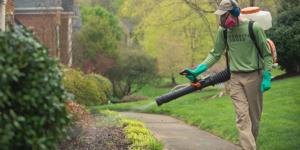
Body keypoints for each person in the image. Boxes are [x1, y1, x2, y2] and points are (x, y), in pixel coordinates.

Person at [183, 0, 273, 150]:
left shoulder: (253, 27)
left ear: (235, 12)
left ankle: (252, 145)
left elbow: (267, 55)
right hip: (236, 78)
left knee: (254, 120)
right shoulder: (224, 31)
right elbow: (214, 54)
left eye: (224, 15)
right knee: (242, 118)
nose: (222, 20)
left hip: (254, 76)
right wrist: (197, 71)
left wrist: (267, 75)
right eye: (220, 16)